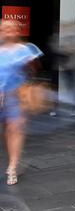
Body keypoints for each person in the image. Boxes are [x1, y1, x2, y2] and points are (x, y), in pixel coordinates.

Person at [0, 20, 42, 185]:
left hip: (16, 95)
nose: (8, 31)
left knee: (14, 128)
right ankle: (13, 158)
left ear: (17, 31)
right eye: (4, 29)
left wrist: (28, 66)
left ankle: (12, 166)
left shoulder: (25, 49)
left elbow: (34, 69)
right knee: (6, 130)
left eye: (11, 28)